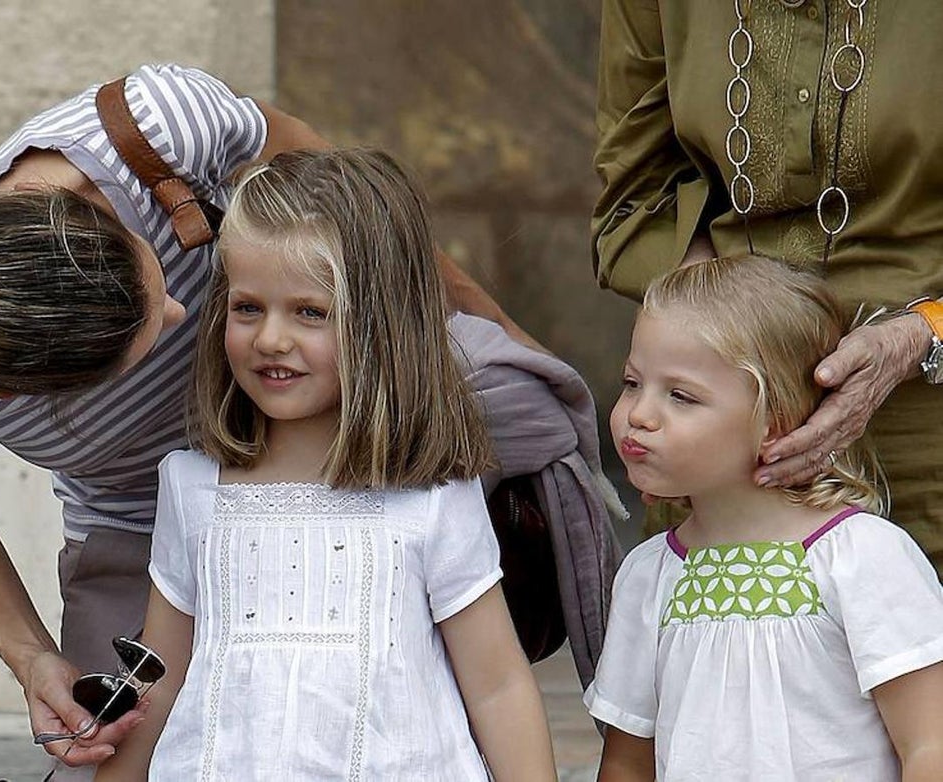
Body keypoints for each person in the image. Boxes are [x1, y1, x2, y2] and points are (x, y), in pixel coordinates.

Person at [0, 64, 530, 777]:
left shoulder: (153, 125)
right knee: (110, 742)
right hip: (135, 517)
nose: (186, 314)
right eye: (155, 334)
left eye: (163, 281)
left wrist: (482, 323)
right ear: (21, 395)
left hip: (360, 445)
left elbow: (345, 209)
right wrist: (33, 660)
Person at [91, 148, 557, 781]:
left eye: (309, 312)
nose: (270, 338)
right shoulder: (192, 488)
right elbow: (160, 686)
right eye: (248, 307)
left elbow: (498, 686)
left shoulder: (433, 499)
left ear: (382, 327)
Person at [593, 2, 943, 571]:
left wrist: (920, 335)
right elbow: (634, 196)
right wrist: (708, 366)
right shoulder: (645, 577)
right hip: (730, 443)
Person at [584, 256, 943, 781]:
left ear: (774, 423)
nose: (639, 413)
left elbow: (929, 742)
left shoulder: (861, 557)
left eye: (679, 395)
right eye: (633, 382)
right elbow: (627, 763)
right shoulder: (648, 575)